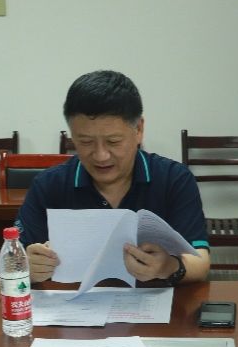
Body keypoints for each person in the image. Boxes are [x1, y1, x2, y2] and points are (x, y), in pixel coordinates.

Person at [17, 70, 211, 285]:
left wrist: (169, 267)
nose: (101, 156)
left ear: (139, 129)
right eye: (86, 142)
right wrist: (27, 267)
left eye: (113, 141)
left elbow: (200, 262)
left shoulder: (174, 179)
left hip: (157, 302)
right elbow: (13, 260)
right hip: (73, 302)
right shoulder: (49, 185)